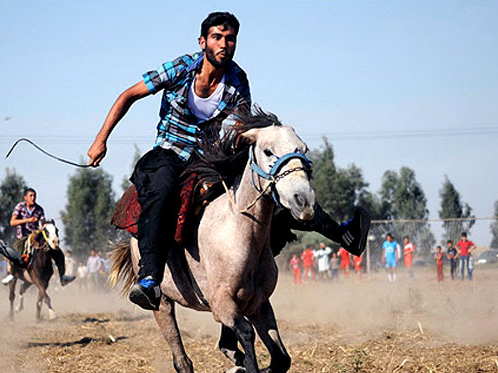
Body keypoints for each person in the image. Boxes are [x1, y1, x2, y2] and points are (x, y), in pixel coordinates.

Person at [86, 12, 370, 311]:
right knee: (161, 189)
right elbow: (129, 95)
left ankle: (342, 234)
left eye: (230, 38)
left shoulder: (238, 80)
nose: (224, 44)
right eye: (217, 37)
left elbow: (240, 125)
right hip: (170, 152)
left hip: (209, 156)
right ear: (203, 41)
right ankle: (150, 280)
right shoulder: (182, 68)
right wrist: (100, 139)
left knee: (268, 178)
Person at [3, 188, 75, 286]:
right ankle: (12, 274)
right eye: (31, 196)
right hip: (23, 237)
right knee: (14, 251)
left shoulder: (39, 209)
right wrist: (28, 220)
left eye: (34, 196)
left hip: (36, 236)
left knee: (58, 252)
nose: (33, 198)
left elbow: (43, 224)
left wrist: (47, 224)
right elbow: (12, 222)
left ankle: (62, 276)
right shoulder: (20, 207)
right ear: (25, 197)